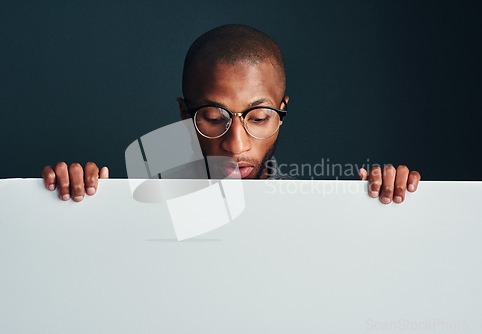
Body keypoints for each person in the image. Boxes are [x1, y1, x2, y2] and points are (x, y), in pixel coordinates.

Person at [41, 24, 420, 204]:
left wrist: (390, 201)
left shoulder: (314, 209)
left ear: (281, 112)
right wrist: (66, 200)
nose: (235, 145)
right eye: (212, 117)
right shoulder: (137, 205)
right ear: (184, 113)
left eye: (257, 118)